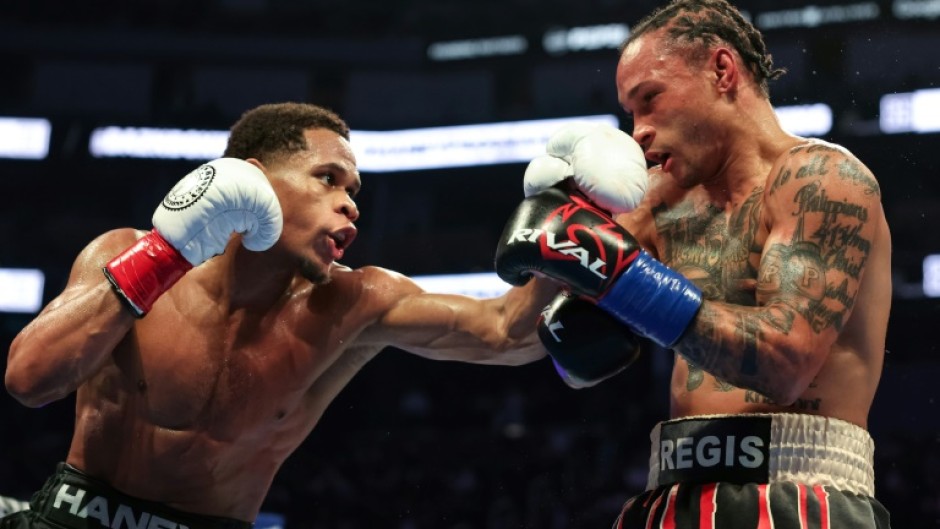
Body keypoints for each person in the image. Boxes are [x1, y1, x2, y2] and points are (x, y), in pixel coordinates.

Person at [2, 101, 562, 529]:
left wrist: (566, 226)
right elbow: (29, 379)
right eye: (328, 178)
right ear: (253, 178)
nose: (351, 204)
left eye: (354, 190)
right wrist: (162, 256)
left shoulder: (354, 302)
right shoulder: (124, 252)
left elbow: (507, 333)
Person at [495, 0, 892, 527]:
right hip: (671, 493)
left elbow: (785, 362)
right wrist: (386, 304)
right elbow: (504, 326)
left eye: (650, 99)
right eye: (631, 112)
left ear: (722, 71)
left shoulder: (823, 180)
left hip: (800, 493)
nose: (638, 131)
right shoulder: (660, 202)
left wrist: (618, 276)